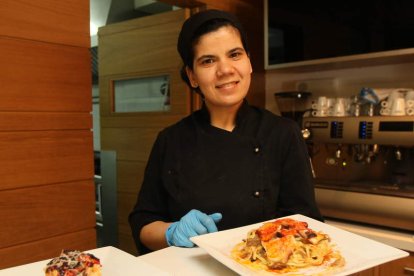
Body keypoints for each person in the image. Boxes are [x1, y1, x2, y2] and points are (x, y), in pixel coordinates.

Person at [129, 9, 322, 254]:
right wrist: (171, 232)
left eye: (235, 54)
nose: (225, 69)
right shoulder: (170, 140)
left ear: (249, 62)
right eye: (208, 61)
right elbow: (143, 224)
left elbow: (307, 224)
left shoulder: (283, 133)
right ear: (192, 76)